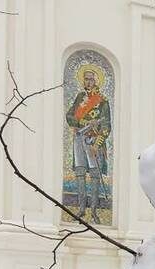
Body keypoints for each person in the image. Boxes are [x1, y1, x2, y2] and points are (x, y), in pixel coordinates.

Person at [65, 68, 111, 223]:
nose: (88, 82)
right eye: (86, 79)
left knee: (94, 175)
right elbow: (69, 115)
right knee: (80, 172)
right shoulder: (79, 97)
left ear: (96, 81)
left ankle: (94, 211)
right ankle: (81, 209)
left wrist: (97, 144)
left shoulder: (102, 101)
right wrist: (82, 122)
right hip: (79, 138)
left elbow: (106, 125)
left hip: (93, 141)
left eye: (91, 79)